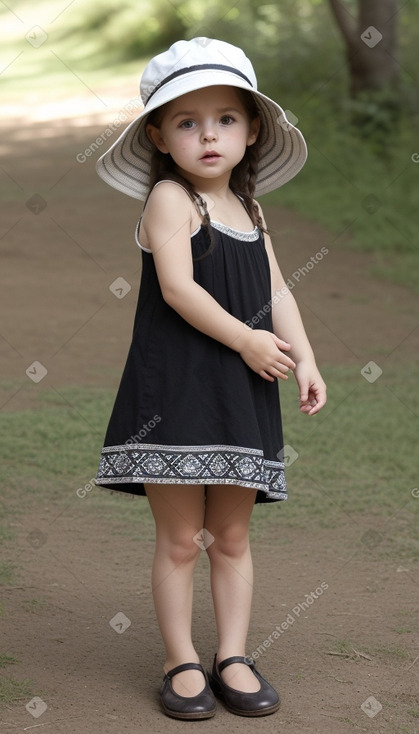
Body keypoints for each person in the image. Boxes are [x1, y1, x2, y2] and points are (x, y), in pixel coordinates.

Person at [94, 37, 326, 720]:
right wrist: (248, 339)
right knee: (179, 539)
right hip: (175, 395)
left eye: (224, 118)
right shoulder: (170, 199)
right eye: (187, 122)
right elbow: (178, 291)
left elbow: (277, 290)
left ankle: (231, 653)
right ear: (159, 138)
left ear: (251, 130)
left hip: (243, 392)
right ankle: (179, 660)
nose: (208, 135)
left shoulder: (252, 213)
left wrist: (302, 355)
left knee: (230, 536)